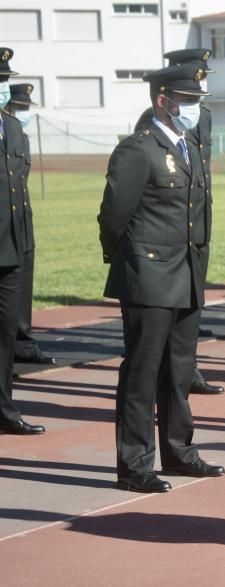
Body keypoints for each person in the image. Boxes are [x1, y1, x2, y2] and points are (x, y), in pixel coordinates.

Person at [98, 63, 225, 492]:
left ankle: (179, 451)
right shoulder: (139, 148)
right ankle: (134, 463)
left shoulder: (188, 145)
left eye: (196, 101)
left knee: (179, 370)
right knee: (142, 371)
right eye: (186, 101)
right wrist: (129, 261)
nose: (192, 108)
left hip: (187, 272)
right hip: (149, 274)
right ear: (163, 101)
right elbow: (115, 214)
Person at [137, 48, 224, 396]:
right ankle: (173, 375)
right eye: (193, 83)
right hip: (167, 229)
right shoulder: (151, 121)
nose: (197, 95)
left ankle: (188, 370)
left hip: (197, 219)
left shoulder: (203, 117)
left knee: (192, 308)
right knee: (166, 319)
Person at [0, 47, 44, 436]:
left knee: (3, 336)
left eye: (2, 82)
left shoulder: (12, 129)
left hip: (11, 249)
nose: (1, 89)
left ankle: (4, 408)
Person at [4, 82, 55, 368]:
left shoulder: (20, 137)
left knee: (24, 282)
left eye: (26, 108)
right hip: (5, 223)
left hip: (23, 218)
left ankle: (22, 342)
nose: (24, 113)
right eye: (20, 108)